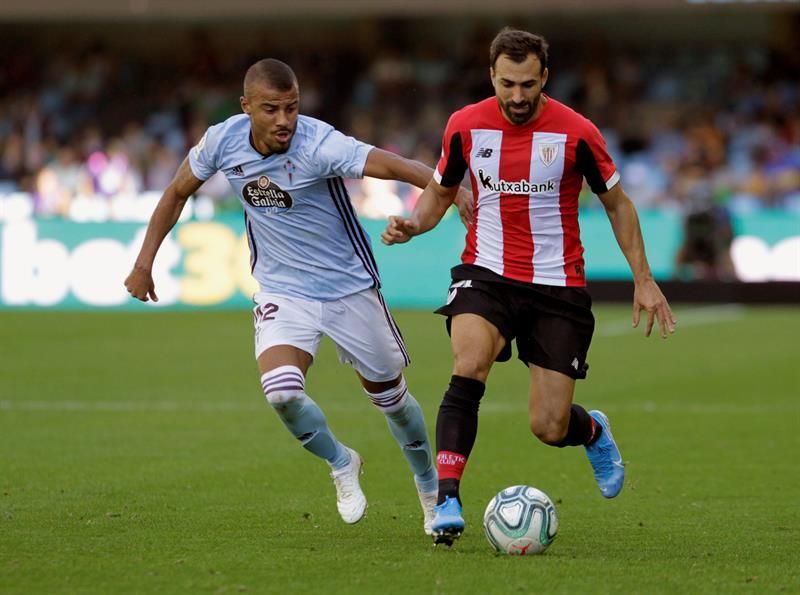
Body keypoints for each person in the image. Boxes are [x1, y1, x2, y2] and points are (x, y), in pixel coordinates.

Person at [125, 58, 470, 535]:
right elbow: (176, 192)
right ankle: (342, 462)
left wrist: (448, 187)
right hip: (284, 290)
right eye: (271, 109)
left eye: (291, 107)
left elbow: (393, 164)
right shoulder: (221, 142)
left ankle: (430, 490)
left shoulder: (319, 142)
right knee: (283, 392)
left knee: (391, 401)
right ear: (246, 107)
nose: (284, 120)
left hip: (349, 287)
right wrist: (144, 263)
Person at [381, 28, 677, 546]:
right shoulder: (464, 127)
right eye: (506, 84)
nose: (516, 96)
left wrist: (644, 280)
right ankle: (447, 498)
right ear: (491, 77)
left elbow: (618, 205)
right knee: (468, 363)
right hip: (486, 272)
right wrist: (414, 225)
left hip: (556, 287)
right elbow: (440, 193)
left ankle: (591, 431)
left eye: (526, 84)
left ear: (544, 77)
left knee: (548, 426)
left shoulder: (577, 132)